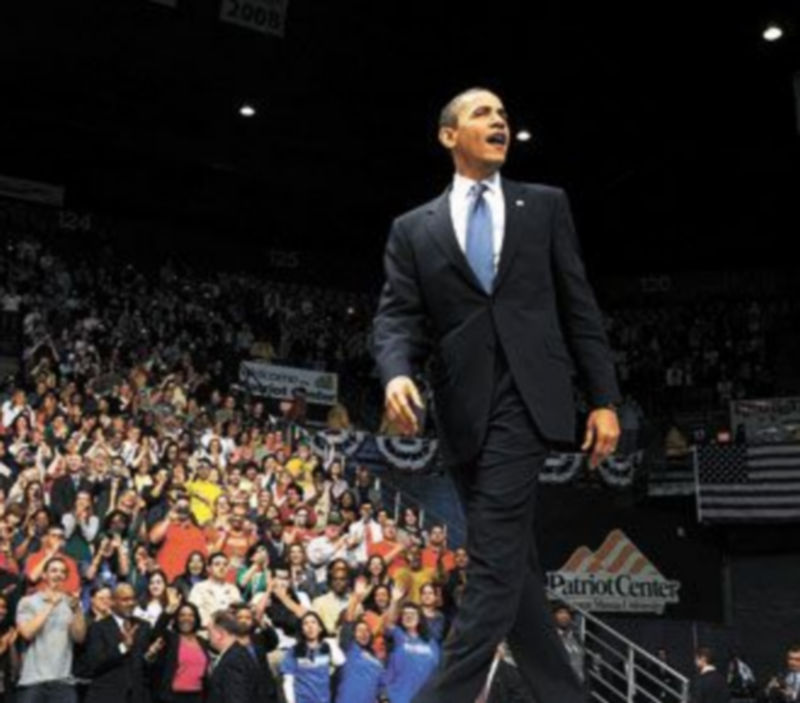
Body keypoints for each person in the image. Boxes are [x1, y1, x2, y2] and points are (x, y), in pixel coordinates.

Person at [372, 87, 621, 703]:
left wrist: (604, 398)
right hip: (460, 412)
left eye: (504, 114)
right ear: (448, 135)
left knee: (489, 569)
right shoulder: (412, 229)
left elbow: (578, 305)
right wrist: (396, 372)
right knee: (514, 569)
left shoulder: (545, 205)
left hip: (526, 399)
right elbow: (396, 316)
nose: (499, 121)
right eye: (483, 113)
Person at [16, 556, 87, 703]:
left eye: (62, 571)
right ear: (44, 575)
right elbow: (27, 633)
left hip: (63, 681)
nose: (58, 574)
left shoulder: (71, 602)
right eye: (53, 570)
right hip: (33, 681)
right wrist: (50, 605)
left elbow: (79, 637)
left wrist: (77, 610)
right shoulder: (28, 602)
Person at [83, 583, 153, 703]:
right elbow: (95, 663)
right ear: (113, 602)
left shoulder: (143, 626)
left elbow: (145, 665)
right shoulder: (98, 628)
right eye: (125, 599)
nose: (131, 603)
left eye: (133, 598)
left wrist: (150, 657)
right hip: (107, 696)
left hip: (138, 696)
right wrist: (123, 647)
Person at [149, 597, 212, 703]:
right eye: (182, 615)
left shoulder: (203, 642)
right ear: (176, 618)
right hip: (172, 697)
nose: (186, 618)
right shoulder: (171, 638)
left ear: (196, 618)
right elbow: (157, 631)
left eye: (190, 615)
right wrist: (168, 612)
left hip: (198, 697)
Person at [280, 611, 344, 703]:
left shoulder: (326, 647)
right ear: (302, 629)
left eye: (313, 622)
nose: (310, 626)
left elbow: (340, 661)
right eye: (306, 623)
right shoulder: (293, 651)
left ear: (320, 628)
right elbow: (288, 681)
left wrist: (331, 643)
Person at [205, 609, 259, 703]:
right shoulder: (238, 654)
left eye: (209, 632)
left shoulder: (234, 661)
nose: (208, 636)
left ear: (220, 634)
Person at [188, 553, 241, 630]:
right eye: (217, 564)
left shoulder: (233, 589)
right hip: (206, 632)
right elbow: (194, 612)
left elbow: (238, 613)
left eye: (225, 565)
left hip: (230, 633)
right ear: (208, 568)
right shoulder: (199, 588)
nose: (222, 567)